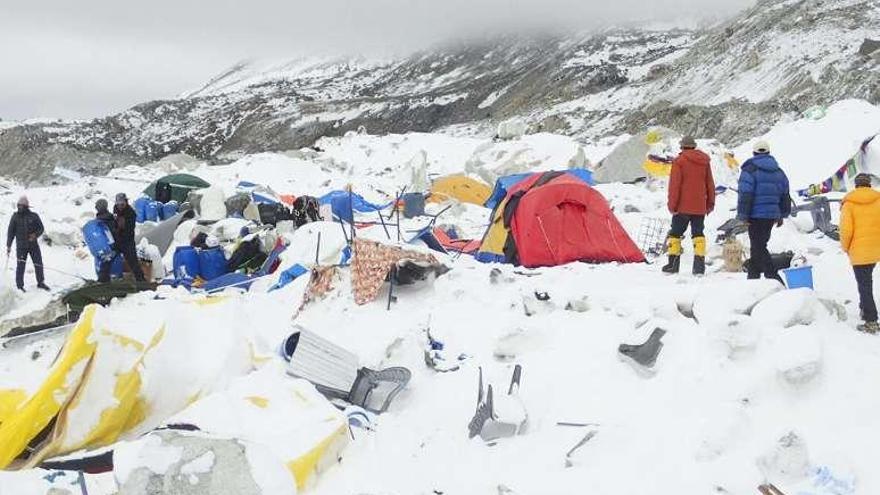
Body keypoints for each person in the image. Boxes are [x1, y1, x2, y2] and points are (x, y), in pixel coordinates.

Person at [736, 141, 791, 283]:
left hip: (755, 215)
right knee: (758, 244)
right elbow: (785, 194)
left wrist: (743, 215)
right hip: (771, 215)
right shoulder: (778, 171)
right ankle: (753, 276)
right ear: (768, 152)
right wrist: (782, 214)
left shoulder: (750, 169)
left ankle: (772, 275)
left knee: (759, 245)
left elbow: (745, 194)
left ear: (754, 153)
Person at [662, 136, 716, 275]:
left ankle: (672, 266)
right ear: (694, 146)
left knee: (675, 234)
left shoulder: (679, 161)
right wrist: (710, 203)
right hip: (699, 206)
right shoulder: (704, 161)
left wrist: (672, 205)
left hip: (682, 207)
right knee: (698, 234)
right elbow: (709, 183)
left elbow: (675, 186)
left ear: (682, 147)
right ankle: (699, 268)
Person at [840, 173, 880, 334]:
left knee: (864, 285)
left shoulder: (849, 203)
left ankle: (871, 320)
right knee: (866, 281)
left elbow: (846, 229)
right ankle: (864, 308)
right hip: (876, 248)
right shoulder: (878, 200)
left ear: (856, 185)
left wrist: (845, 247)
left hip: (859, 250)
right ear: (869, 184)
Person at [5, 196, 49, 292]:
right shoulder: (15, 217)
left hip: (33, 246)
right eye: (18, 205)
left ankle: (40, 282)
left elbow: (41, 228)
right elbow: (10, 232)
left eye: (21, 206)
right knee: (21, 266)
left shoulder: (34, 216)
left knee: (38, 264)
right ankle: (20, 286)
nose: (19, 207)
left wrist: (35, 235)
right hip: (21, 247)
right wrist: (8, 245)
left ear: (26, 206)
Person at [112, 193, 146, 282]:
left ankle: (141, 281)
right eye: (118, 203)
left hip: (127, 241)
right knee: (110, 259)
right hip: (117, 240)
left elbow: (129, 231)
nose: (120, 206)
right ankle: (108, 280)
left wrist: (121, 227)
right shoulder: (115, 209)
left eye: (122, 204)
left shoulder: (131, 213)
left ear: (126, 202)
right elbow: (114, 222)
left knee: (133, 262)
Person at [94, 198, 117, 283]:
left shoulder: (103, 219)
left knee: (106, 261)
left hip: (109, 246)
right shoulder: (109, 217)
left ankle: (103, 281)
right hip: (110, 244)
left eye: (97, 206)